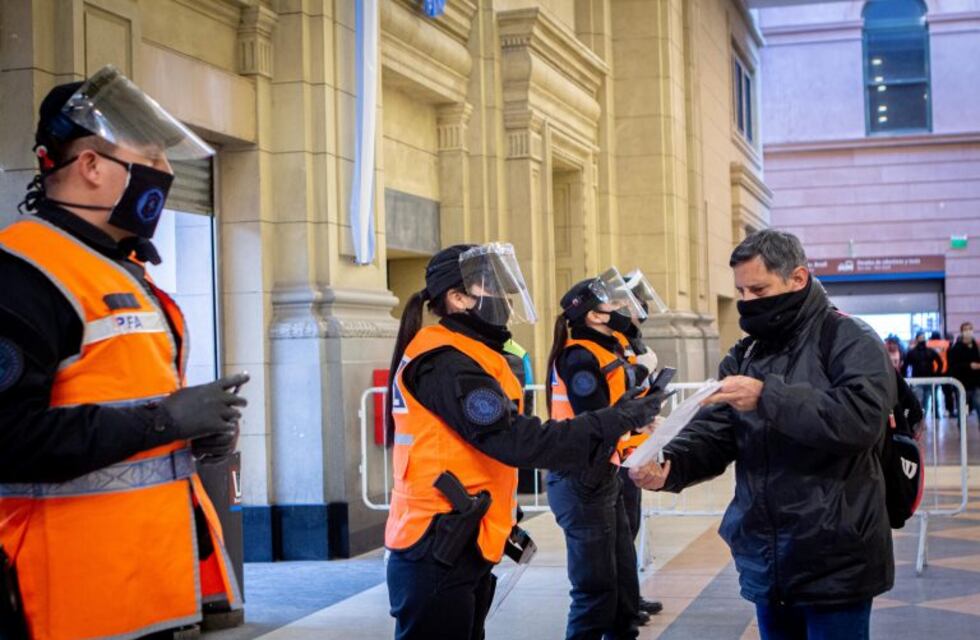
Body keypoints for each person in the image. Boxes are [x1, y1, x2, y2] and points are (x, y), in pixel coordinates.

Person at [0, 67, 248, 639]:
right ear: (90, 166)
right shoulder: (25, 274)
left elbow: (119, 403)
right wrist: (166, 418)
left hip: (143, 594)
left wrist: (190, 431)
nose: (165, 174)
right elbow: (9, 438)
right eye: (154, 158)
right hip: (62, 603)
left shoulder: (122, 270)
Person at [383, 243, 664, 640]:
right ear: (458, 298)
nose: (504, 298)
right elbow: (518, 440)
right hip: (436, 544)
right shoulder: (445, 361)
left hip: (460, 537)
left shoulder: (470, 354)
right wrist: (620, 418)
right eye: (493, 288)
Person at [630, 229, 896, 640]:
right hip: (768, 554)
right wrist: (671, 464)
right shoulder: (745, 353)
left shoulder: (848, 338)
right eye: (741, 292)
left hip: (835, 556)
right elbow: (719, 432)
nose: (748, 303)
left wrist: (768, 396)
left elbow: (861, 420)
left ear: (798, 279)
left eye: (759, 289)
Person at [545, 269, 654, 640]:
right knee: (595, 592)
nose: (623, 308)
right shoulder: (578, 357)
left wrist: (641, 416)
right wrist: (633, 417)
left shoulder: (604, 350)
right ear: (593, 315)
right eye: (614, 303)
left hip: (602, 475)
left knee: (622, 583)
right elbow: (594, 420)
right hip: (579, 480)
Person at [614, 269, 668, 621]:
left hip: (633, 449)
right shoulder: (603, 349)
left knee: (629, 527)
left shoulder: (632, 345)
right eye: (631, 305)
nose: (639, 311)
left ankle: (630, 599)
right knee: (617, 535)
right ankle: (622, 607)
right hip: (612, 454)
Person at [949, 321, 980, 423]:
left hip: (976, 384)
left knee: (978, 404)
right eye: (965, 329)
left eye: (970, 329)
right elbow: (953, 366)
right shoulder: (956, 348)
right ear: (962, 332)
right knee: (963, 410)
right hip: (962, 385)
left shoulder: (976, 346)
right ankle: (962, 432)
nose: (968, 331)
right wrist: (969, 365)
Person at [906, 331, 943, 416]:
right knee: (918, 400)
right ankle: (919, 418)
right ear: (916, 339)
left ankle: (922, 419)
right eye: (920, 337)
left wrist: (936, 374)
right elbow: (906, 365)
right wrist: (907, 378)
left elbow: (939, 362)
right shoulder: (912, 352)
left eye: (923, 337)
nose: (922, 339)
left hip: (929, 379)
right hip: (917, 380)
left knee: (926, 400)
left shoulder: (930, 351)